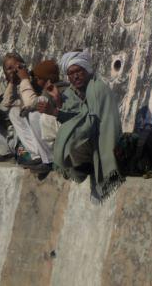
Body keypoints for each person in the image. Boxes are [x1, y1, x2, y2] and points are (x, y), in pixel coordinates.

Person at [44, 49, 124, 201]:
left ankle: (91, 166)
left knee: (71, 139)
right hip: (90, 137)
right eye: (71, 73)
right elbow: (74, 117)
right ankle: (82, 167)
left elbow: (88, 123)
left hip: (103, 139)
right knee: (63, 133)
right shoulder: (71, 92)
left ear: (86, 69)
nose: (75, 76)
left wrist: (57, 113)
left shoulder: (97, 89)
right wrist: (58, 100)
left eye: (79, 71)